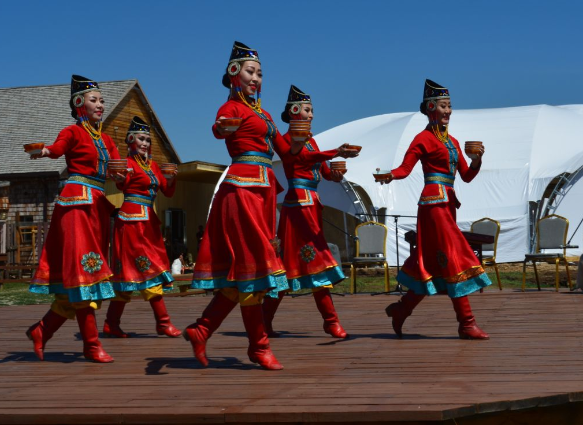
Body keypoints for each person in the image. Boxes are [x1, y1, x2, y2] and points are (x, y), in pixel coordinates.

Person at [185, 41, 295, 371]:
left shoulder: (264, 114)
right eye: (250, 71)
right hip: (242, 192)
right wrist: (222, 128)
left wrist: (327, 156)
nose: (257, 78)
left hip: (262, 192)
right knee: (253, 270)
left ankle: (201, 330)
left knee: (244, 275)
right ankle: (259, 347)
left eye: (260, 73)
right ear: (234, 73)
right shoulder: (230, 108)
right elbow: (218, 129)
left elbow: (288, 151)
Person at [379, 79, 492, 340]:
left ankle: (402, 310)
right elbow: (405, 169)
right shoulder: (422, 139)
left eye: (450, 106)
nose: (448, 111)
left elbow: (466, 176)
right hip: (432, 206)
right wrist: (389, 175)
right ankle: (467, 323)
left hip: (448, 204)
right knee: (453, 256)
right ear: (431, 108)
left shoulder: (452, 141)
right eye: (443, 105)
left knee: (434, 264)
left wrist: (477, 160)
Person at [26, 75, 123, 363]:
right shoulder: (72, 132)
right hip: (76, 204)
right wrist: (42, 151)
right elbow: (56, 149)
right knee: (84, 273)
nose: (100, 105)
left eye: (102, 100)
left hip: (96, 205)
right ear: (79, 103)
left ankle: (42, 331)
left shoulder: (106, 139)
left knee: (87, 276)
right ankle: (91, 345)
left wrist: (123, 175)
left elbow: (119, 169)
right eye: (94, 99)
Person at [263, 85, 358, 339]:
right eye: (307, 110)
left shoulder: (312, 141)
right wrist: (334, 152)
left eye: (312, 110)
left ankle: (265, 320)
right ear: (295, 111)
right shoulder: (286, 141)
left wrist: (336, 175)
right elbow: (301, 160)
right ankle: (330, 321)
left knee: (294, 265)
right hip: (298, 208)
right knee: (313, 261)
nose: (312, 115)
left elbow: (324, 172)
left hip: (310, 206)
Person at [102, 116, 181, 339]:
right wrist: (120, 177)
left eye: (148, 139)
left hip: (149, 223)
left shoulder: (153, 165)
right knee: (147, 269)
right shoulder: (126, 164)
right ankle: (163, 323)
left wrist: (172, 178)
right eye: (141, 139)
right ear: (130, 140)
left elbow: (168, 191)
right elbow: (121, 183)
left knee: (134, 272)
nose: (145, 143)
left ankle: (111, 324)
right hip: (131, 222)